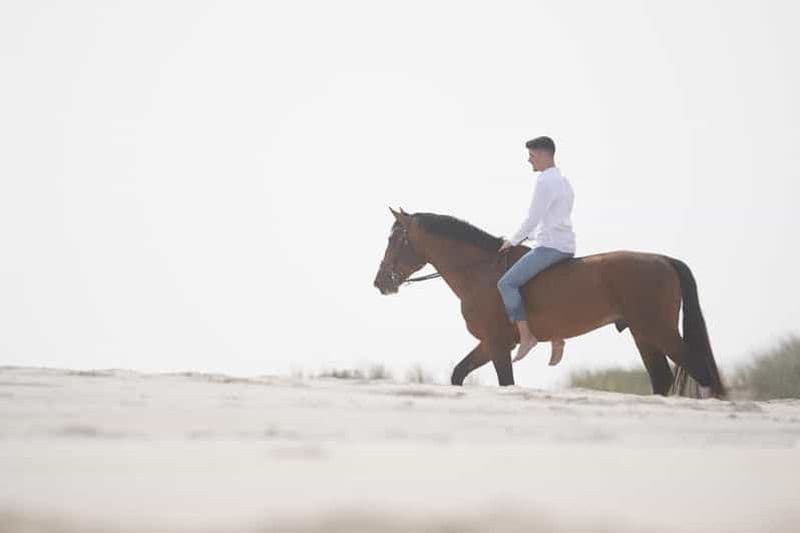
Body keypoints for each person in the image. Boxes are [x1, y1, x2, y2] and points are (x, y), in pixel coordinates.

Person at [497, 136, 576, 364]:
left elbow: (533, 217)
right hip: (565, 245)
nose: (529, 160)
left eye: (531, 156)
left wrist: (513, 240)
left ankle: (526, 336)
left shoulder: (544, 182)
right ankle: (556, 336)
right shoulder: (564, 181)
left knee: (506, 284)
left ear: (543, 155)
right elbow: (553, 219)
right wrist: (529, 237)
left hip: (550, 247)